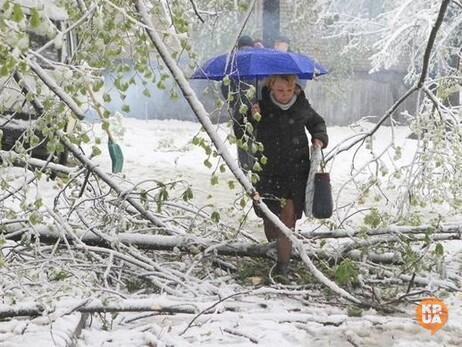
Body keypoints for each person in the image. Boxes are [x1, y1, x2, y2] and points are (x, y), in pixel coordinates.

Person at [235, 75, 328, 279]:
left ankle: (282, 266)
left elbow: (318, 123)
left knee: (288, 216)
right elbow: (239, 129)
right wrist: (251, 116)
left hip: (296, 171)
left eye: (288, 90)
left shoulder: (301, 105)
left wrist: (319, 138)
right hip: (267, 170)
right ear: (271, 87)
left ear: (294, 88)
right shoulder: (261, 105)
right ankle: (277, 253)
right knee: (270, 216)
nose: (284, 95)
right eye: (279, 90)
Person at [221, 35, 258, 173]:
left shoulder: (231, 64)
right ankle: (254, 168)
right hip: (256, 110)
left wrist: (233, 102)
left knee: (243, 141)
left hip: (239, 110)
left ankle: (245, 169)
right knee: (255, 139)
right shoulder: (256, 62)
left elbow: (225, 87)